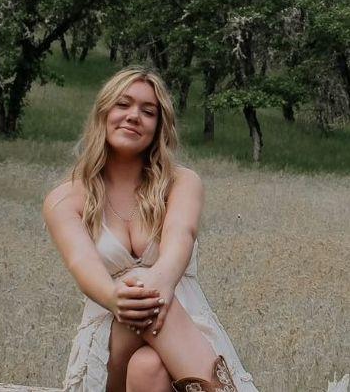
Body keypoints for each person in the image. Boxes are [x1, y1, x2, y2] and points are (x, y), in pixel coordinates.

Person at [43, 66, 259, 392]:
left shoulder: (182, 182)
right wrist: (114, 297)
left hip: (184, 330)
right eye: (123, 104)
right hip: (110, 340)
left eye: (148, 111)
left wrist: (162, 281)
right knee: (148, 294)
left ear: (159, 126)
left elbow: (181, 234)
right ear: (103, 113)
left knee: (148, 367)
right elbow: (81, 262)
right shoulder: (65, 198)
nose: (134, 116)